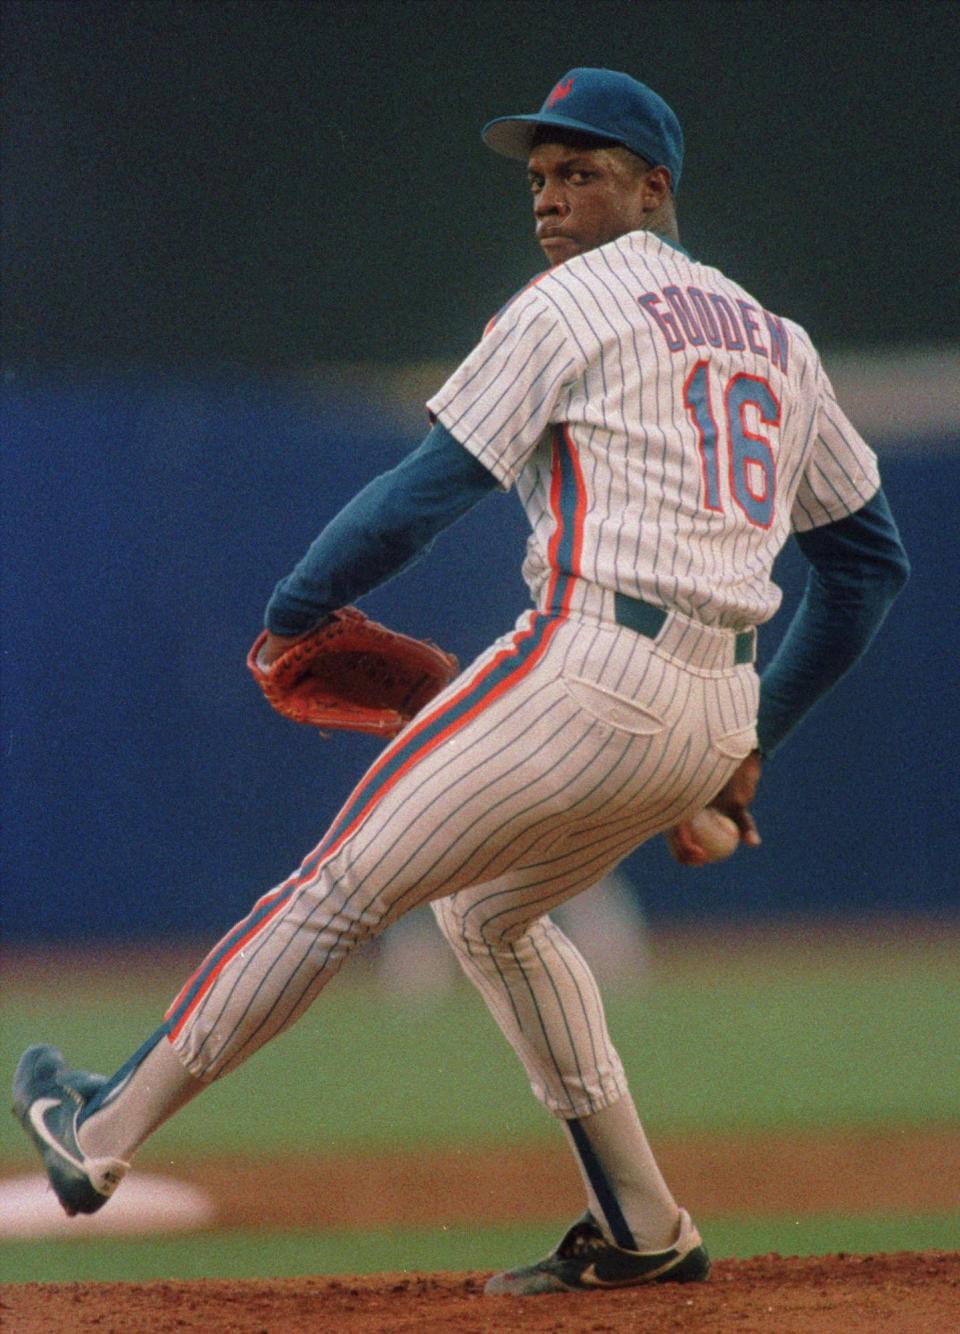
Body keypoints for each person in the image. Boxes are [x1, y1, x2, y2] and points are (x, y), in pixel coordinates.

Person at [14, 67, 909, 1297]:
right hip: (708, 703)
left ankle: (99, 1131)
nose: (549, 197)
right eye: (540, 176)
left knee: (335, 885)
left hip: (589, 663)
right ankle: (645, 1226)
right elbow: (867, 566)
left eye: (581, 171)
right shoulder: (782, 342)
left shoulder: (566, 306)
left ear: (656, 189)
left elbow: (429, 489)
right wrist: (753, 739)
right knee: (484, 912)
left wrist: (294, 610)